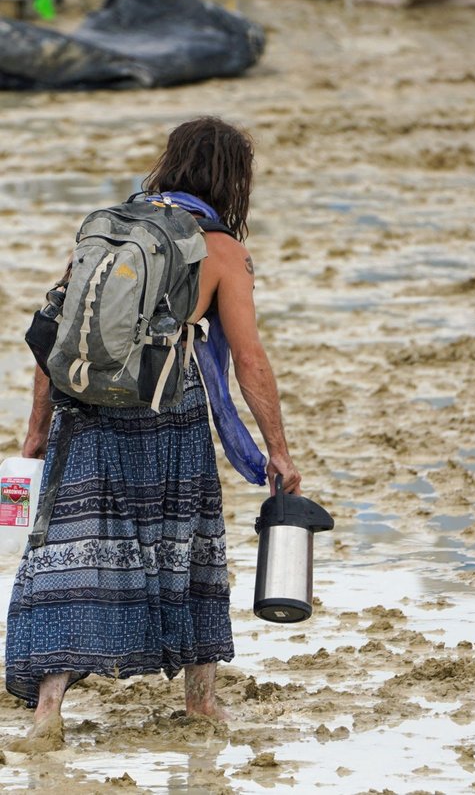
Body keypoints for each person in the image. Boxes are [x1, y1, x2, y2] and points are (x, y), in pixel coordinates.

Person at [5, 116, 301, 749]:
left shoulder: (107, 227)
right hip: (169, 411)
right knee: (189, 542)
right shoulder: (220, 250)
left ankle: (47, 712)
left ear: (171, 163)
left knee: (76, 549)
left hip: (82, 410)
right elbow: (248, 360)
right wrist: (276, 450)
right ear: (232, 179)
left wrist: (35, 432)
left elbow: (53, 334)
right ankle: (201, 702)